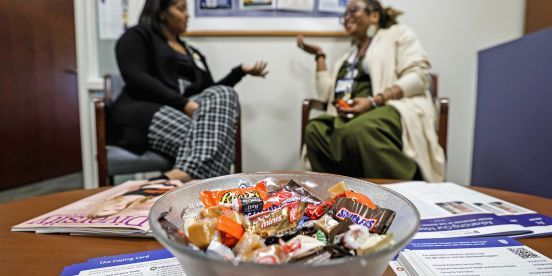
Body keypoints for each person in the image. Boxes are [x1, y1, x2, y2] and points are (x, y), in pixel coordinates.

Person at [110, 0, 268, 182]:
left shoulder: (191, 51)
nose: (187, 15)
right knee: (214, 139)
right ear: (161, 12)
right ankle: (211, 191)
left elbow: (212, 92)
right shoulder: (137, 36)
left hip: (185, 111)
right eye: (181, 8)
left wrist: (239, 71)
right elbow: (136, 77)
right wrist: (184, 104)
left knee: (224, 94)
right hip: (145, 111)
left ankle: (173, 180)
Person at [297, 0, 445, 181]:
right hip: (347, 118)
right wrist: (320, 55)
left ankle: (404, 187)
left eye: (353, 10)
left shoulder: (397, 35)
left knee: (360, 129)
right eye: (344, 14)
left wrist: (375, 100)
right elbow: (326, 95)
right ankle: (338, 191)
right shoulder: (347, 56)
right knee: (315, 130)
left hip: (386, 108)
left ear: (374, 16)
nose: (346, 17)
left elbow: (419, 76)